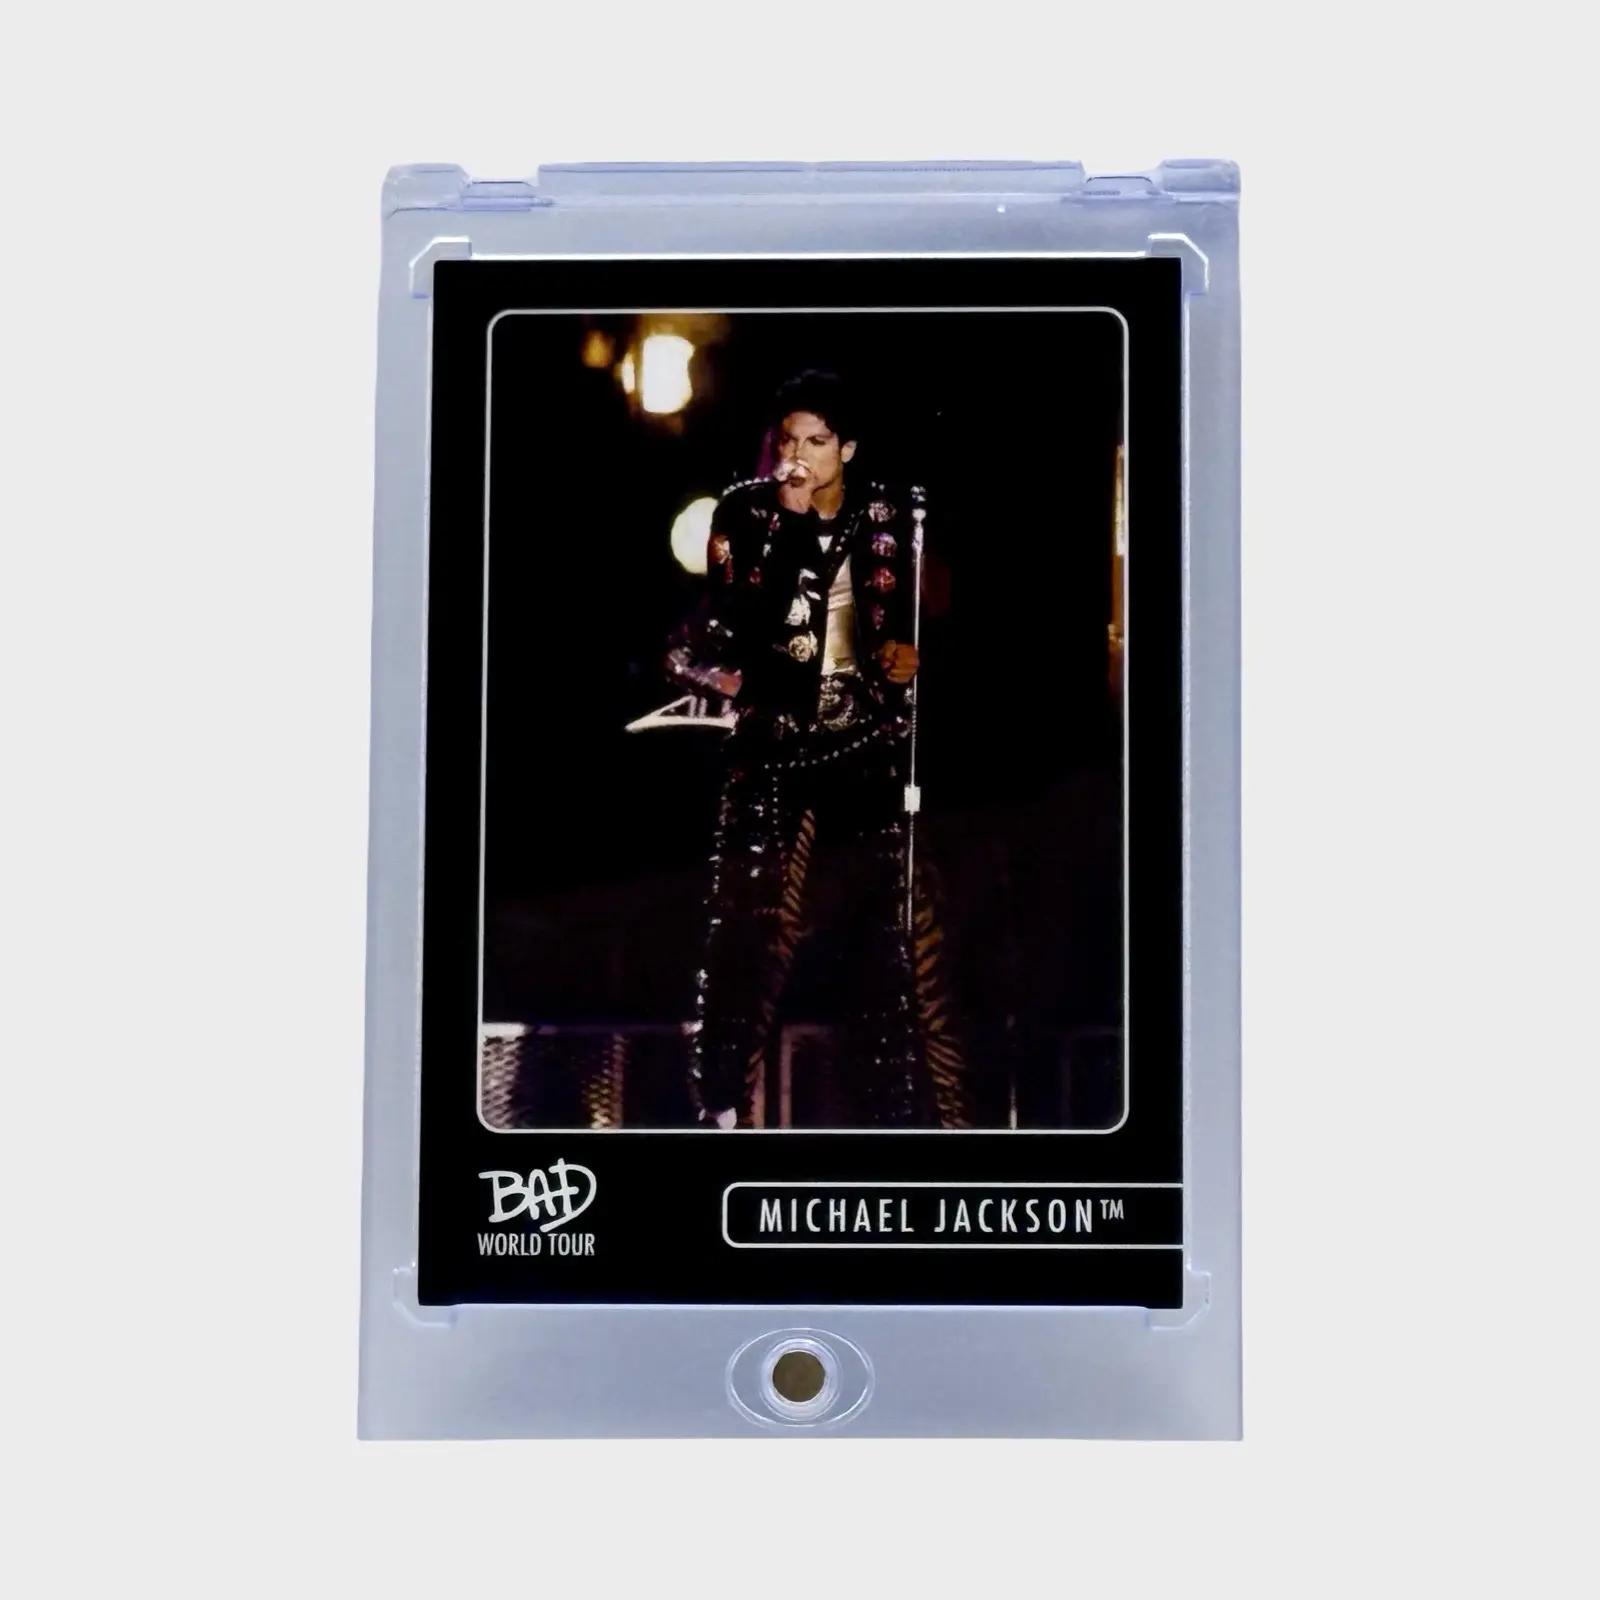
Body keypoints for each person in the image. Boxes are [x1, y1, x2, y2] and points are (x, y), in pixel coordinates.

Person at [674, 371, 967, 1128]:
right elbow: (744, 619)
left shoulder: (889, 515)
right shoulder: (746, 512)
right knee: (754, 931)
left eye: (818, 441)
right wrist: (793, 520)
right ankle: (724, 1109)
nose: (799, 455)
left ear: (847, 449)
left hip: (865, 739)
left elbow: (922, 611)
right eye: (789, 440)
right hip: (776, 742)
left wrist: (908, 658)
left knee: (905, 931)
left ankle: (926, 1118)